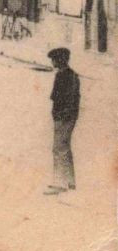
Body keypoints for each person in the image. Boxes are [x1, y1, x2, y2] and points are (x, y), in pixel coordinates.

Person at [47, 47, 79, 194]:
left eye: (53, 59)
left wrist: (61, 115)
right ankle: (70, 182)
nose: (52, 62)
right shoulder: (71, 75)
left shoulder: (63, 76)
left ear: (59, 60)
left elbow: (57, 97)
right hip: (67, 116)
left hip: (63, 117)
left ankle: (60, 184)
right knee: (65, 148)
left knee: (59, 149)